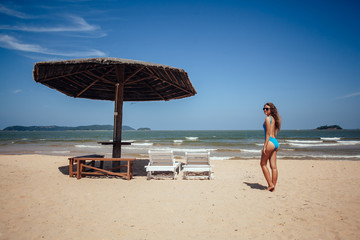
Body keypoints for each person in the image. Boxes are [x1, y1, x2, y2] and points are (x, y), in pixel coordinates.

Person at [261, 102, 281, 191]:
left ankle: (270, 184)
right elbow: (275, 133)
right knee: (274, 167)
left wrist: (265, 146)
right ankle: (273, 186)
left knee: (263, 164)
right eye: (264, 109)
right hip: (275, 142)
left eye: (267, 109)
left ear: (271, 110)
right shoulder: (275, 119)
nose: (265, 110)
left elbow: (268, 134)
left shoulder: (268, 119)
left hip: (269, 142)